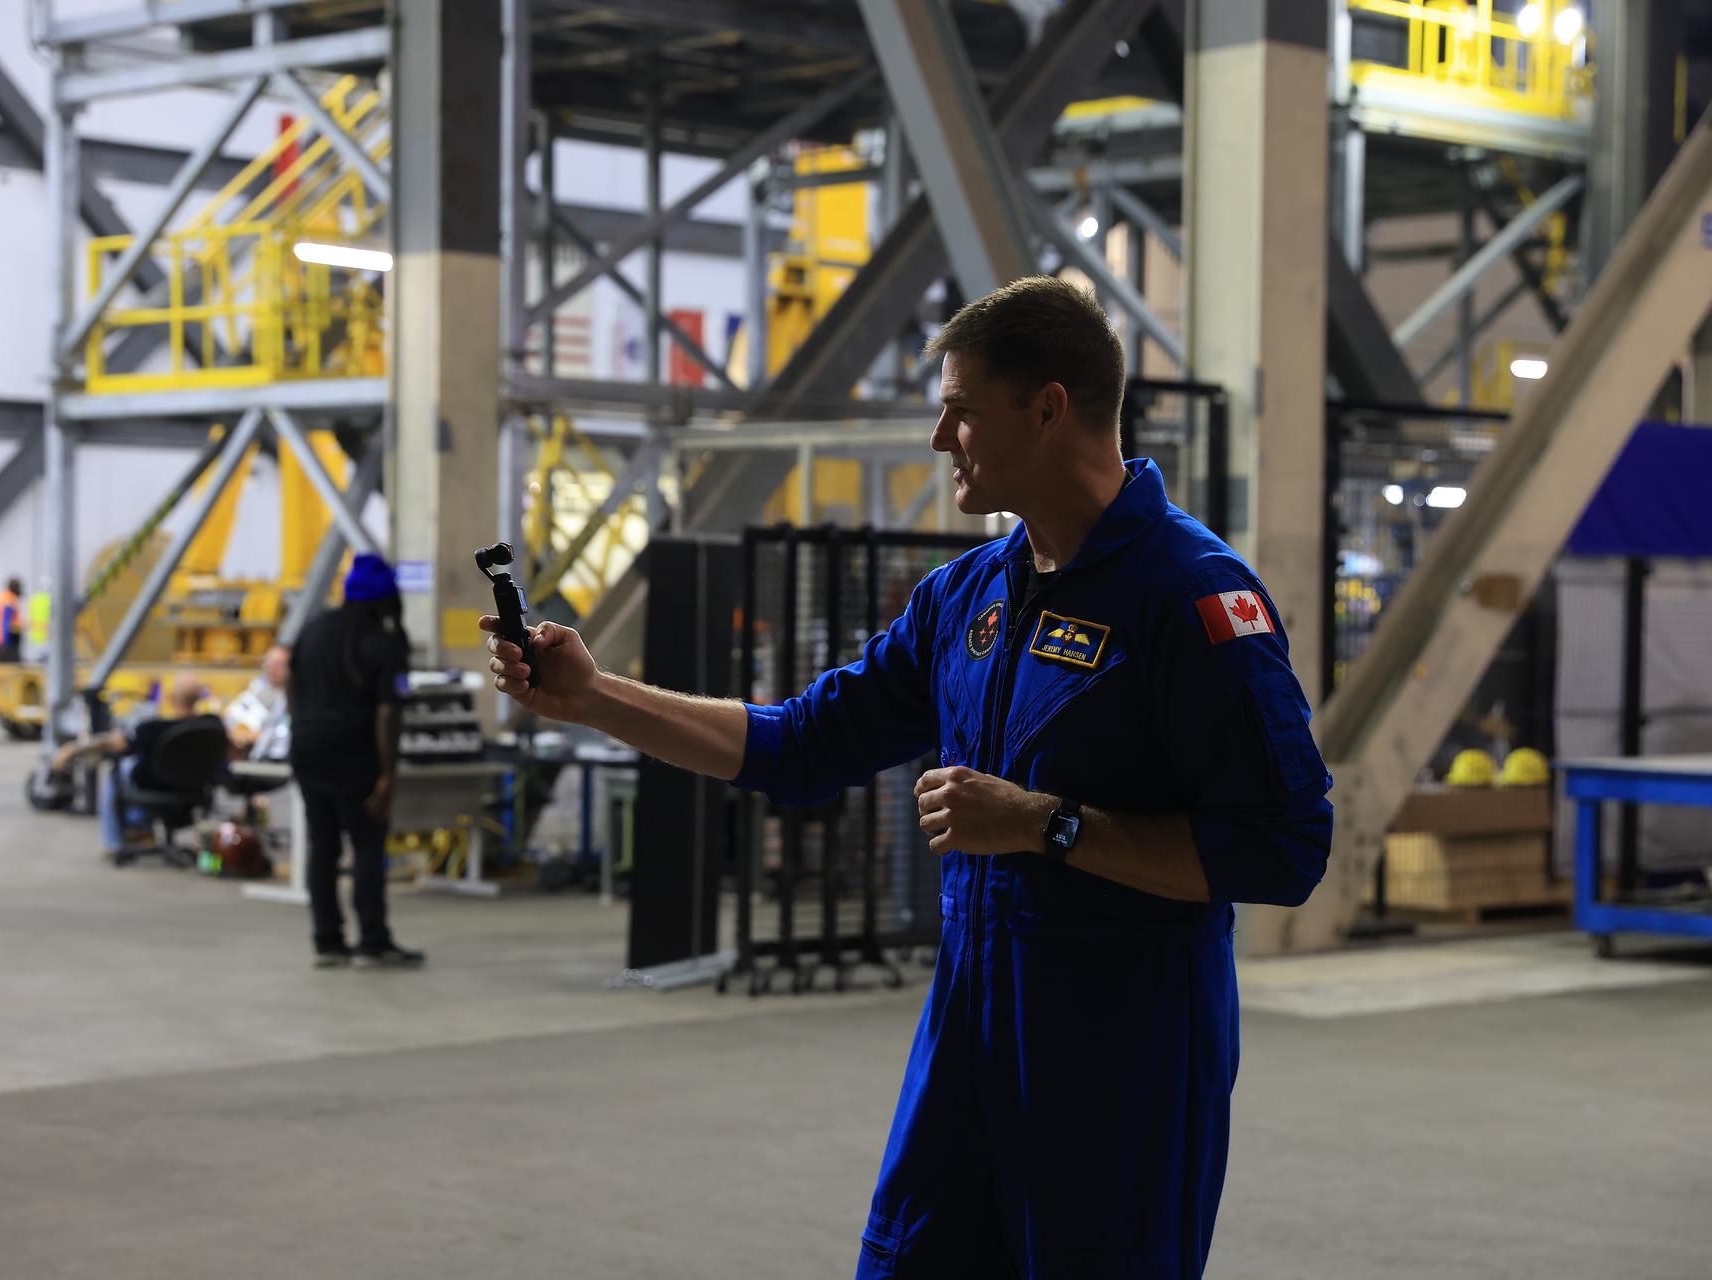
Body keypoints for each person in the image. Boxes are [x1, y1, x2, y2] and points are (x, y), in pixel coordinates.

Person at [483, 277, 1333, 1279]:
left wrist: (1047, 824)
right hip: (968, 1040)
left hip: (1124, 1063)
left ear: (1048, 408)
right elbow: (800, 745)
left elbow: (1284, 848)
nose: (940, 438)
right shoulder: (963, 598)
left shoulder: (1192, 599)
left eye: (961, 409)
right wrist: (593, 696)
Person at [287, 553, 423, 970]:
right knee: (366, 846)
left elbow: (291, 686)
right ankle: (372, 941)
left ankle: (327, 941)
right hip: (355, 755)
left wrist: (305, 728)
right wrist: (388, 774)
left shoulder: (314, 629)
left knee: (323, 846)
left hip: (307, 749)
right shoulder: (384, 642)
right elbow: (387, 712)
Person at [52, 673, 223, 858]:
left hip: (152, 789)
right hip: (195, 792)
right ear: (199, 698)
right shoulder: (213, 726)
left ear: (170, 698)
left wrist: (71, 749)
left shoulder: (152, 729)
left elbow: (114, 743)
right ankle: (141, 829)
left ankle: (115, 843)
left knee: (120, 768)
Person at [0, 576, 24, 663]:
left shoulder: (2, 597)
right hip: (5, 641)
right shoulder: (9, 600)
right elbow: (6, 623)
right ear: (15, 588)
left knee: (1, 667)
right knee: (9, 668)